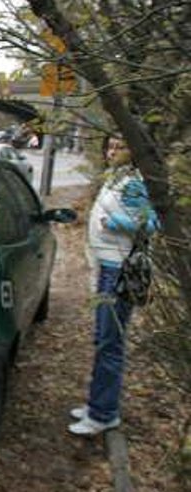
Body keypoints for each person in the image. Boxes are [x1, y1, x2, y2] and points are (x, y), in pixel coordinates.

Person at [69, 136, 159, 436]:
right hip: (106, 268)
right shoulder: (116, 178)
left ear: (134, 151)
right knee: (103, 339)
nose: (112, 152)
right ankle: (98, 405)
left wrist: (114, 224)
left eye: (121, 146)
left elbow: (151, 224)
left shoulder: (134, 181)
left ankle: (103, 413)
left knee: (110, 343)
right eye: (109, 147)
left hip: (119, 271)